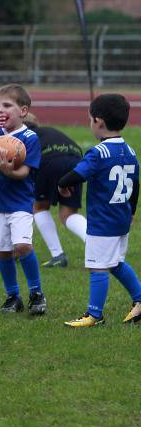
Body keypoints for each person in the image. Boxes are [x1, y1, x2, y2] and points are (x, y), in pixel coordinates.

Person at [58, 94, 141, 327]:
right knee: (115, 263)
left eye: (89, 120)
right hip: (122, 218)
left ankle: (95, 315)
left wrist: (62, 183)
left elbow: (78, 173)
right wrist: (132, 211)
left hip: (103, 221)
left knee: (98, 265)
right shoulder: (131, 152)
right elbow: (136, 186)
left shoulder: (98, 153)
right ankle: (140, 300)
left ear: (99, 122)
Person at [0, 84, 47, 316]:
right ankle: (13, 296)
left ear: (23, 111)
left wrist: (8, 171)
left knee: (22, 246)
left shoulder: (29, 137)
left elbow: (24, 173)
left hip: (20, 203)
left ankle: (36, 293)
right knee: (2, 251)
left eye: (7, 105)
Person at [22, 113, 87, 268]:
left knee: (39, 207)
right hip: (76, 157)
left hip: (49, 158)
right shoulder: (48, 130)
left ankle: (58, 255)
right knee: (69, 214)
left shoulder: (22, 135)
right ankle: (96, 244)